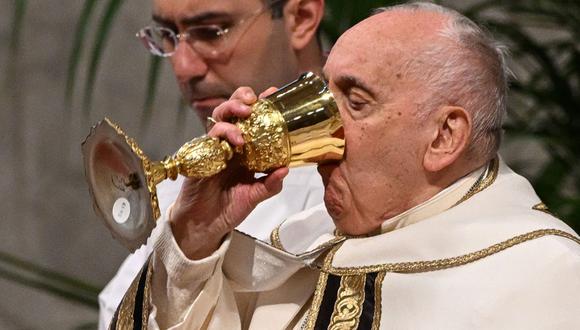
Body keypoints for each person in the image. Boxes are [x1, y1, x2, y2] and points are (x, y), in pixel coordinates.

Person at [110, 2, 580, 329]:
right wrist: (194, 239)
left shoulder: (545, 280)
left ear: (443, 137)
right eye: (322, 95)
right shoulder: (300, 239)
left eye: (354, 103)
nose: (323, 134)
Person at [98, 0, 327, 328]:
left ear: (300, 17)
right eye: (168, 36)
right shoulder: (189, 182)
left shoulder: (388, 158)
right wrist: (191, 245)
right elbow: (115, 314)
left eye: (210, 31)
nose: (183, 68)